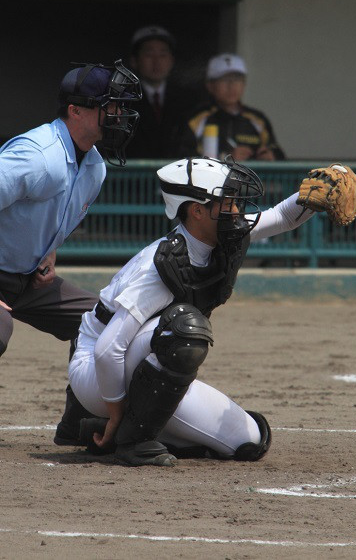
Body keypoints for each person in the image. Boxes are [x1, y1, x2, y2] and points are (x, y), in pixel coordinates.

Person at [68, 155, 317, 467]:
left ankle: (98, 429)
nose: (237, 210)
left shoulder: (216, 239)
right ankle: (131, 439)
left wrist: (312, 196)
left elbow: (281, 216)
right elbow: (107, 350)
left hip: (138, 362)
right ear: (197, 211)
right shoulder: (159, 269)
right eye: (227, 202)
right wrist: (115, 415)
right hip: (96, 371)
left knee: (249, 441)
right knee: (184, 329)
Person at [0, 59, 142, 445]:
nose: (117, 116)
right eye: (108, 107)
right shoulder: (36, 155)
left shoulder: (94, 165)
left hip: (28, 279)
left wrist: (50, 253)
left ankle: (79, 424)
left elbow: (55, 218)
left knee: (100, 323)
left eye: (118, 107)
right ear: (75, 110)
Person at [179, 53, 286, 162]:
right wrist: (225, 157)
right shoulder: (197, 119)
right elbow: (181, 157)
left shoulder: (258, 119)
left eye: (237, 79)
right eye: (224, 79)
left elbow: (277, 151)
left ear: (244, 84)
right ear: (210, 85)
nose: (231, 85)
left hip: (251, 178)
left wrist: (271, 156)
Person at [127, 25, 196, 159]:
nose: (156, 61)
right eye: (149, 54)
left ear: (171, 61)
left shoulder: (187, 99)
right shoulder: (124, 99)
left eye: (163, 54)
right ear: (134, 61)